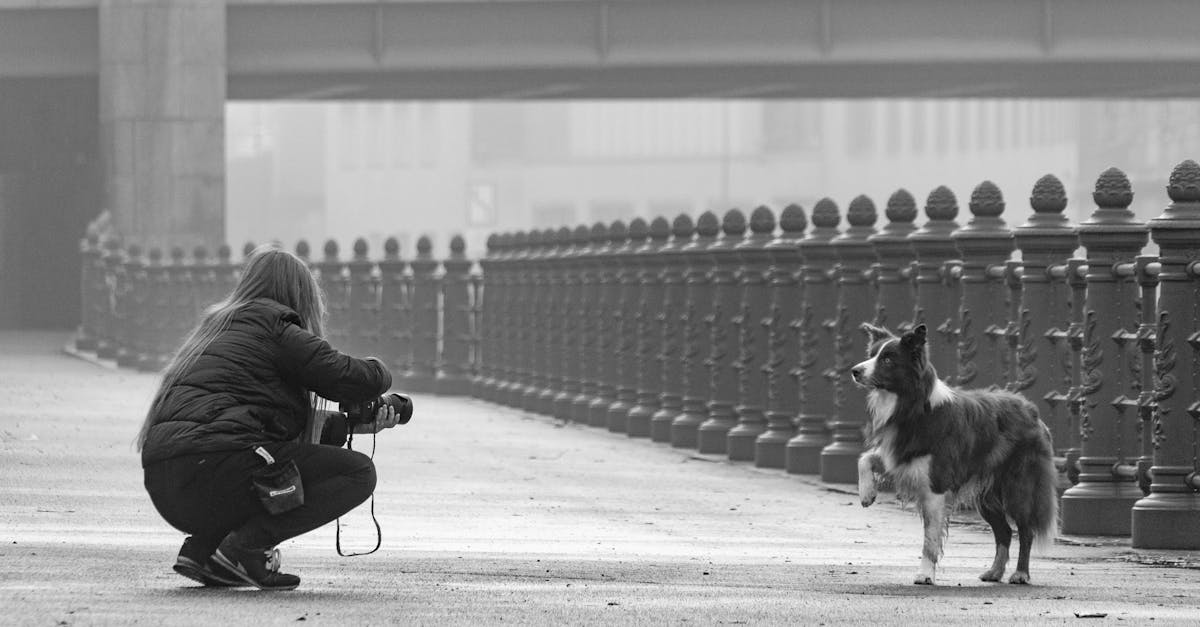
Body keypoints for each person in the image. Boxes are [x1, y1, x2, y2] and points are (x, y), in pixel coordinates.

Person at [138, 244, 400, 591]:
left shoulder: (215, 329)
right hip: (216, 470)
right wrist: (381, 371)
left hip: (168, 484)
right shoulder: (275, 326)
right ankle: (246, 548)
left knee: (263, 463)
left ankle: (204, 550)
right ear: (299, 294)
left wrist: (354, 424)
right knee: (357, 472)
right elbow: (347, 376)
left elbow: (267, 431)